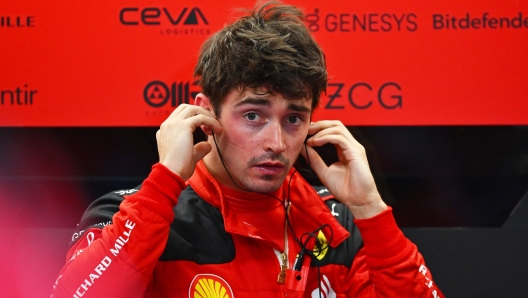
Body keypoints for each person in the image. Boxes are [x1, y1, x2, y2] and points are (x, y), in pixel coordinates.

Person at [51, 2, 443, 297]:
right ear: (205, 114)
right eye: (253, 116)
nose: (276, 142)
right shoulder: (134, 214)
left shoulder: (338, 221)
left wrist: (370, 209)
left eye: (293, 119)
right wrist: (164, 183)